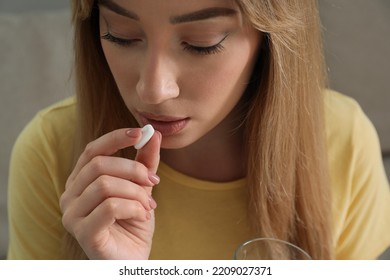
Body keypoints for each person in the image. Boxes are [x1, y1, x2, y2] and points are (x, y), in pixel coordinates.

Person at [7, 0, 390, 260]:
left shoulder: (342, 139)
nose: (153, 90)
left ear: (269, 40)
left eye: (201, 44)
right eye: (121, 35)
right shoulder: (51, 152)